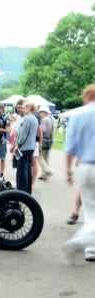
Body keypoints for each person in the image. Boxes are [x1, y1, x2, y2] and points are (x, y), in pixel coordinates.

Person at [63, 84, 95, 262]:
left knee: (90, 209)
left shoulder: (78, 114)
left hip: (84, 166)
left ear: (88, 97)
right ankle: (83, 242)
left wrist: (67, 171)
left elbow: (69, 148)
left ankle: (91, 248)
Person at [13, 101, 38, 194]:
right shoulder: (35, 118)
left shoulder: (27, 119)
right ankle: (27, 191)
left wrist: (17, 145)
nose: (22, 109)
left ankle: (22, 192)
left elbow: (23, 134)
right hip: (31, 147)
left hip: (24, 147)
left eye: (23, 107)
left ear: (28, 108)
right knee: (27, 170)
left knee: (22, 172)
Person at [38, 105, 54, 181]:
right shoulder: (51, 119)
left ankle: (47, 171)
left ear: (44, 112)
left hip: (44, 140)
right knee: (46, 157)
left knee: (40, 157)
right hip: (49, 140)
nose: (40, 114)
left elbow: (43, 130)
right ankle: (44, 175)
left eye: (40, 112)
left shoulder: (44, 120)